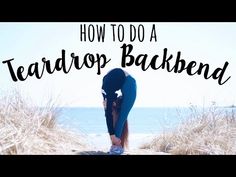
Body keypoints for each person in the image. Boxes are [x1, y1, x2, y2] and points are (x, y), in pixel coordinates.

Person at [102, 68, 137, 155]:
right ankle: (116, 144)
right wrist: (112, 135)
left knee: (122, 117)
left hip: (130, 85)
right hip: (118, 80)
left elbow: (108, 115)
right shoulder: (106, 96)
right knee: (115, 116)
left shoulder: (108, 96)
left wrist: (112, 135)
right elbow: (108, 115)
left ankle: (116, 146)